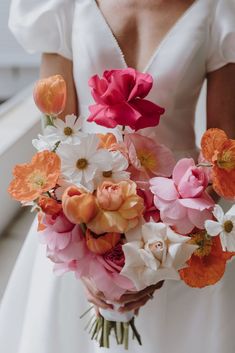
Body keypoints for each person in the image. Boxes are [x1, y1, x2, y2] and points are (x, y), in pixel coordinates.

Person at [0, 0, 235, 352]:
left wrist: (163, 257)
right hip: (79, 210)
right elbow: (54, 139)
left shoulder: (218, 10)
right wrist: (84, 259)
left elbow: (224, 154)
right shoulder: (61, 6)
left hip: (181, 222)